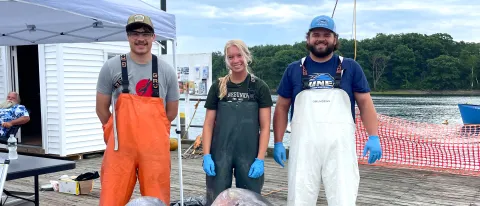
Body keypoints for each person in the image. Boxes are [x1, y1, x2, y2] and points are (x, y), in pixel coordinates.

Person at [272, 15, 382, 205]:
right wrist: (279, 141)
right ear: (308, 39)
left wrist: (374, 136)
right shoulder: (293, 69)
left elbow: (365, 103)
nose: (321, 39)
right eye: (316, 34)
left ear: (335, 39)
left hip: (340, 147)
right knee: (299, 196)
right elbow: (281, 108)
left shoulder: (350, 67)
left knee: (343, 196)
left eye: (326, 35)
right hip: (303, 146)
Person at [95, 14, 179, 206]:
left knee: (157, 200)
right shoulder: (111, 67)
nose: (140, 38)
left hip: (155, 151)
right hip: (120, 149)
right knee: (111, 199)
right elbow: (101, 108)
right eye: (135, 33)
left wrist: (153, 134)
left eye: (145, 33)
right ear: (127, 36)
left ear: (153, 37)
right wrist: (114, 133)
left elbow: (171, 112)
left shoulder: (167, 71)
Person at [201, 39, 273, 206]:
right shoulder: (218, 86)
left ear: (246, 56)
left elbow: (265, 127)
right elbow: (208, 124)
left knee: (250, 199)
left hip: (248, 154)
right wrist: (206, 155)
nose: (235, 61)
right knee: (216, 198)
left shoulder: (259, 87)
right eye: (230, 57)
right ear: (226, 60)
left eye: (239, 55)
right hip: (220, 154)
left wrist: (260, 158)